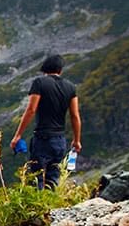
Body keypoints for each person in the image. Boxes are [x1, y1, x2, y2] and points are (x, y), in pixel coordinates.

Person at [10, 54, 82, 190]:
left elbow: (31, 109)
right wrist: (77, 140)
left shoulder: (40, 83)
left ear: (44, 69)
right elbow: (75, 115)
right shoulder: (71, 87)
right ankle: (52, 209)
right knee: (53, 179)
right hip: (60, 140)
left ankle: (38, 209)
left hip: (42, 139)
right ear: (60, 70)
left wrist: (18, 135)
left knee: (36, 179)